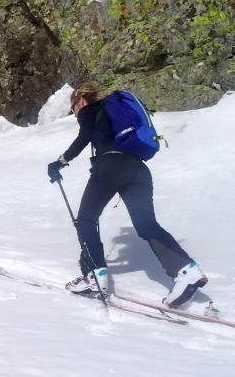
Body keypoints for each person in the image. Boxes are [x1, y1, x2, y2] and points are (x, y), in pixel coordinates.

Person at [46, 83, 208, 308]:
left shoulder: (90, 110)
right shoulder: (114, 112)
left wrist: (60, 162)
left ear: (79, 100)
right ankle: (186, 270)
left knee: (86, 219)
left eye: (73, 108)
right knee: (146, 225)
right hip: (138, 169)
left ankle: (93, 276)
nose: (75, 113)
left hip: (111, 165)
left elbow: (84, 136)